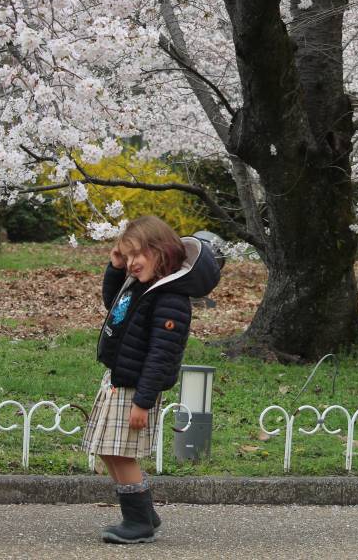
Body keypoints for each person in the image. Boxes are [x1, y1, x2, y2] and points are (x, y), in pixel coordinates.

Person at [81, 215, 220, 544]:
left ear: (159, 251)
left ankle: (139, 521)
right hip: (120, 381)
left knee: (122, 454)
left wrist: (143, 402)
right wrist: (115, 268)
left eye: (135, 256)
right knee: (108, 450)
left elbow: (162, 355)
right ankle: (144, 514)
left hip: (135, 389)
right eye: (126, 257)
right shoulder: (144, 286)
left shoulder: (170, 299)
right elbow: (114, 307)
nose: (130, 264)